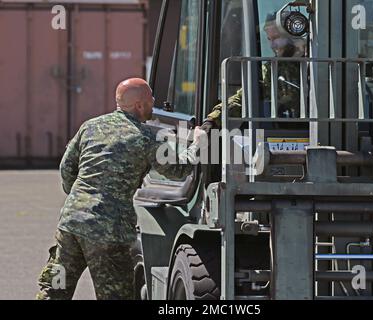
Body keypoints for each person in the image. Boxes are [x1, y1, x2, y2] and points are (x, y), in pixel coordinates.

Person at [36, 78, 205, 300]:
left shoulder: (90, 126)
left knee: (54, 291)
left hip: (70, 226)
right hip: (109, 234)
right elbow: (178, 169)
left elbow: (67, 170)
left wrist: (81, 201)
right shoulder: (146, 137)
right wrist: (198, 144)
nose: (154, 103)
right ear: (140, 105)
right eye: (151, 98)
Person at [202, 9, 307, 131]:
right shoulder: (272, 69)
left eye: (276, 38)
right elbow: (244, 97)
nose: (272, 45)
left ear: (292, 35)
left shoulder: (316, 64)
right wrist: (212, 121)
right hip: (290, 134)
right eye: (269, 39)